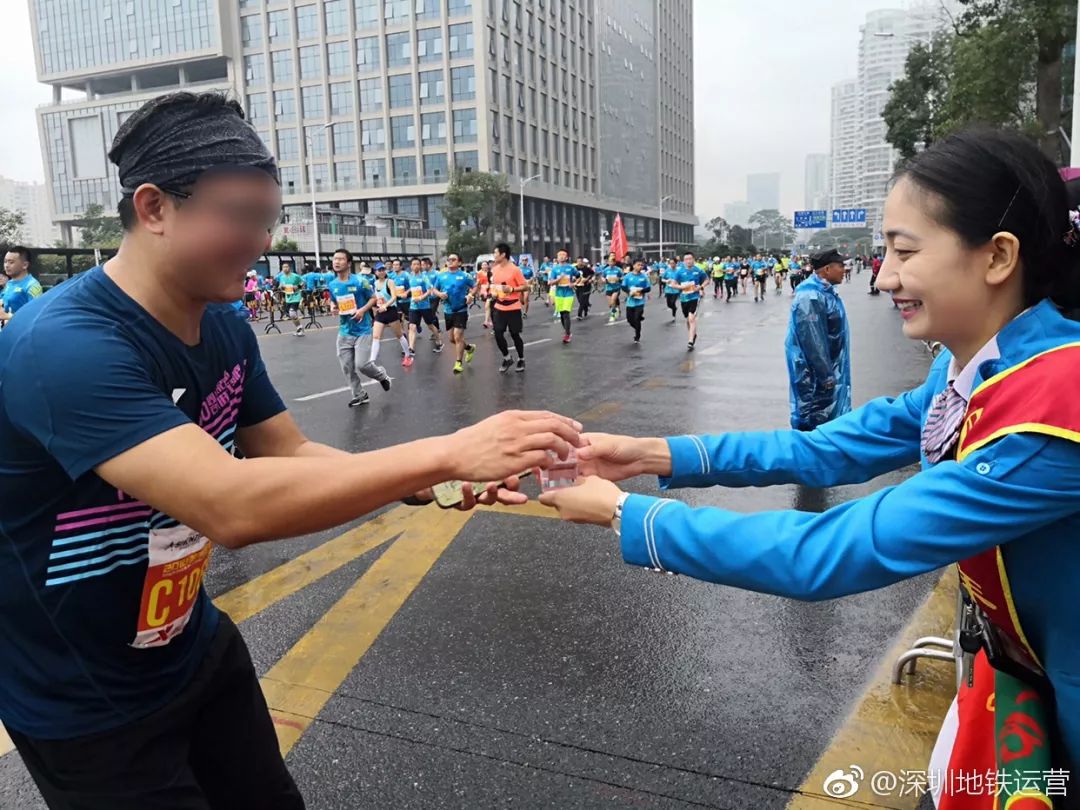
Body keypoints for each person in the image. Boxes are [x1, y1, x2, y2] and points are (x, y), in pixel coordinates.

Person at [0, 90, 584, 810]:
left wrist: (428, 484)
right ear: (154, 208)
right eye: (241, 216)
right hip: (87, 697)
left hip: (193, 649)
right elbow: (231, 506)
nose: (263, 242)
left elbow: (286, 453)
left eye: (268, 220)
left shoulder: (221, 321)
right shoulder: (64, 347)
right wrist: (447, 453)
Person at [540, 128, 1080, 800]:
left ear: (999, 256)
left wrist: (623, 513)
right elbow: (826, 448)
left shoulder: (1057, 407)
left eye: (904, 251)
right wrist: (650, 453)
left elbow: (826, 552)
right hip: (1016, 678)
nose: (882, 276)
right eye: (883, 250)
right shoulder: (974, 365)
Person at [785, 248, 851, 431]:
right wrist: (826, 375)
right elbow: (813, 342)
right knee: (813, 419)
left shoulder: (825, 293)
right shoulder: (811, 297)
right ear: (827, 270)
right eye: (840, 266)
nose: (844, 270)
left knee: (827, 420)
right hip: (815, 376)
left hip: (827, 369)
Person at [327, 248, 391, 407]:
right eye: (335, 259)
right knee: (347, 367)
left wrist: (362, 310)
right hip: (344, 330)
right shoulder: (332, 284)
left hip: (362, 330)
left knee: (362, 365)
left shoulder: (360, 281)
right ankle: (360, 395)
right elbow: (334, 301)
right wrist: (332, 306)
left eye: (340, 259)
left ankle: (382, 375)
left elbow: (373, 298)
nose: (336, 262)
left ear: (348, 263)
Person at [434, 253, 477, 374]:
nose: (450, 261)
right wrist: (439, 294)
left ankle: (458, 363)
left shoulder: (465, 276)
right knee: (452, 339)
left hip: (461, 309)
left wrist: (470, 295)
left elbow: (474, 286)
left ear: (459, 262)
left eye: (454, 259)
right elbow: (434, 289)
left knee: (458, 336)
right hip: (448, 310)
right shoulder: (441, 276)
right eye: (449, 259)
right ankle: (469, 348)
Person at [489, 242, 528, 373]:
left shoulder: (515, 270)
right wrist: (492, 293)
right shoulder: (494, 269)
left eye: (495, 253)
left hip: (513, 307)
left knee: (514, 334)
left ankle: (521, 359)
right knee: (498, 334)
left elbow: (525, 286)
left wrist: (512, 289)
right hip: (499, 306)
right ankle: (507, 358)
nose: (494, 255)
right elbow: (493, 286)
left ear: (503, 254)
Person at [370, 262, 411, 366]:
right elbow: (376, 297)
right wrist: (375, 307)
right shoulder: (375, 283)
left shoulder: (390, 282)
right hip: (380, 312)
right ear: (375, 272)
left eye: (383, 269)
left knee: (399, 335)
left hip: (390, 311)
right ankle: (372, 361)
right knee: (375, 336)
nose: (382, 272)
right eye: (379, 270)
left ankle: (408, 355)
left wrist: (385, 305)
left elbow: (393, 297)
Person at [404, 257, 444, 364]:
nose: (416, 266)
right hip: (413, 306)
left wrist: (421, 297)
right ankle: (411, 349)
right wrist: (406, 293)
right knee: (412, 326)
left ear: (420, 266)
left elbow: (430, 289)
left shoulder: (424, 277)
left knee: (430, 325)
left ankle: (439, 340)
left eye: (418, 264)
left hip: (425, 306)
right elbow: (410, 288)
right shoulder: (410, 276)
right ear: (411, 266)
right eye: (414, 264)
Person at [0, 246, 43, 325]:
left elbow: (36, 316)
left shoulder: (32, 286)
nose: (6, 265)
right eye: (5, 261)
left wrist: (8, 316)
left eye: (11, 262)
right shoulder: (9, 283)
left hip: (20, 334)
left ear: (25, 265)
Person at [675, 252, 707, 351]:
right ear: (683, 261)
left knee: (691, 318)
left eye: (690, 259)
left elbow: (707, 280)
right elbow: (673, 284)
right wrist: (681, 287)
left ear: (693, 259)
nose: (688, 261)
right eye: (686, 259)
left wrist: (701, 287)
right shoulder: (679, 272)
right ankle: (693, 335)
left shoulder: (698, 271)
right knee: (688, 319)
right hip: (684, 298)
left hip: (694, 297)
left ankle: (690, 341)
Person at [549, 249, 579, 343]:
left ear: (566, 257)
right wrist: (559, 280)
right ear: (557, 258)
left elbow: (579, 276)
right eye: (559, 255)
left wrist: (574, 283)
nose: (561, 256)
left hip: (569, 293)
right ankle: (567, 332)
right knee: (562, 314)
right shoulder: (554, 269)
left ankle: (567, 334)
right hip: (559, 294)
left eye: (563, 255)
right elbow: (550, 282)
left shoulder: (571, 268)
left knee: (566, 313)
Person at [622, 258, 652, 343]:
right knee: (630, 320)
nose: (640, 266)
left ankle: (637, 335)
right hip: (630, 301)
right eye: (638, 265)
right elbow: (623, 286)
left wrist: (641, 291)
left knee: (637, 317)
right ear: (633, 265)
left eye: (641, 265)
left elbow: (648, 288)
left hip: (640, 301)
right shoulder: (628, 276)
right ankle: (637, 327)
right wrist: (629, 292)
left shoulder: (644, 276)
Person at [277, 260, 304, 335]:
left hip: (296, 296)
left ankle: (300, 328)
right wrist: (281, 287)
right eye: (283, 267)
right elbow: (280, 286)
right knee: (291, 315)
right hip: (288, 297)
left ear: (289, 268)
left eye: (286, 267)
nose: (285, 268)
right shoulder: (281, 277)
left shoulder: (295, 276)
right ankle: (299, 328)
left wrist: (297, 286)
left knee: (292, 313)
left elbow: (303, 282)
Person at [601, 253, 624, 322]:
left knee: (613, 300)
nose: (611, 263)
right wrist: (604, 280)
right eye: (609, 261)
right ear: (608, 262)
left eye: (612, 261)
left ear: (614, 262)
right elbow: (602, 277)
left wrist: (619, 279)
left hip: (616, 288)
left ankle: (612, 315)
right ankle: (615, 309)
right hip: (608, 288)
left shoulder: (618, 269)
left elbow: (623, 277)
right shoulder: (606, 270)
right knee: (610, 304)